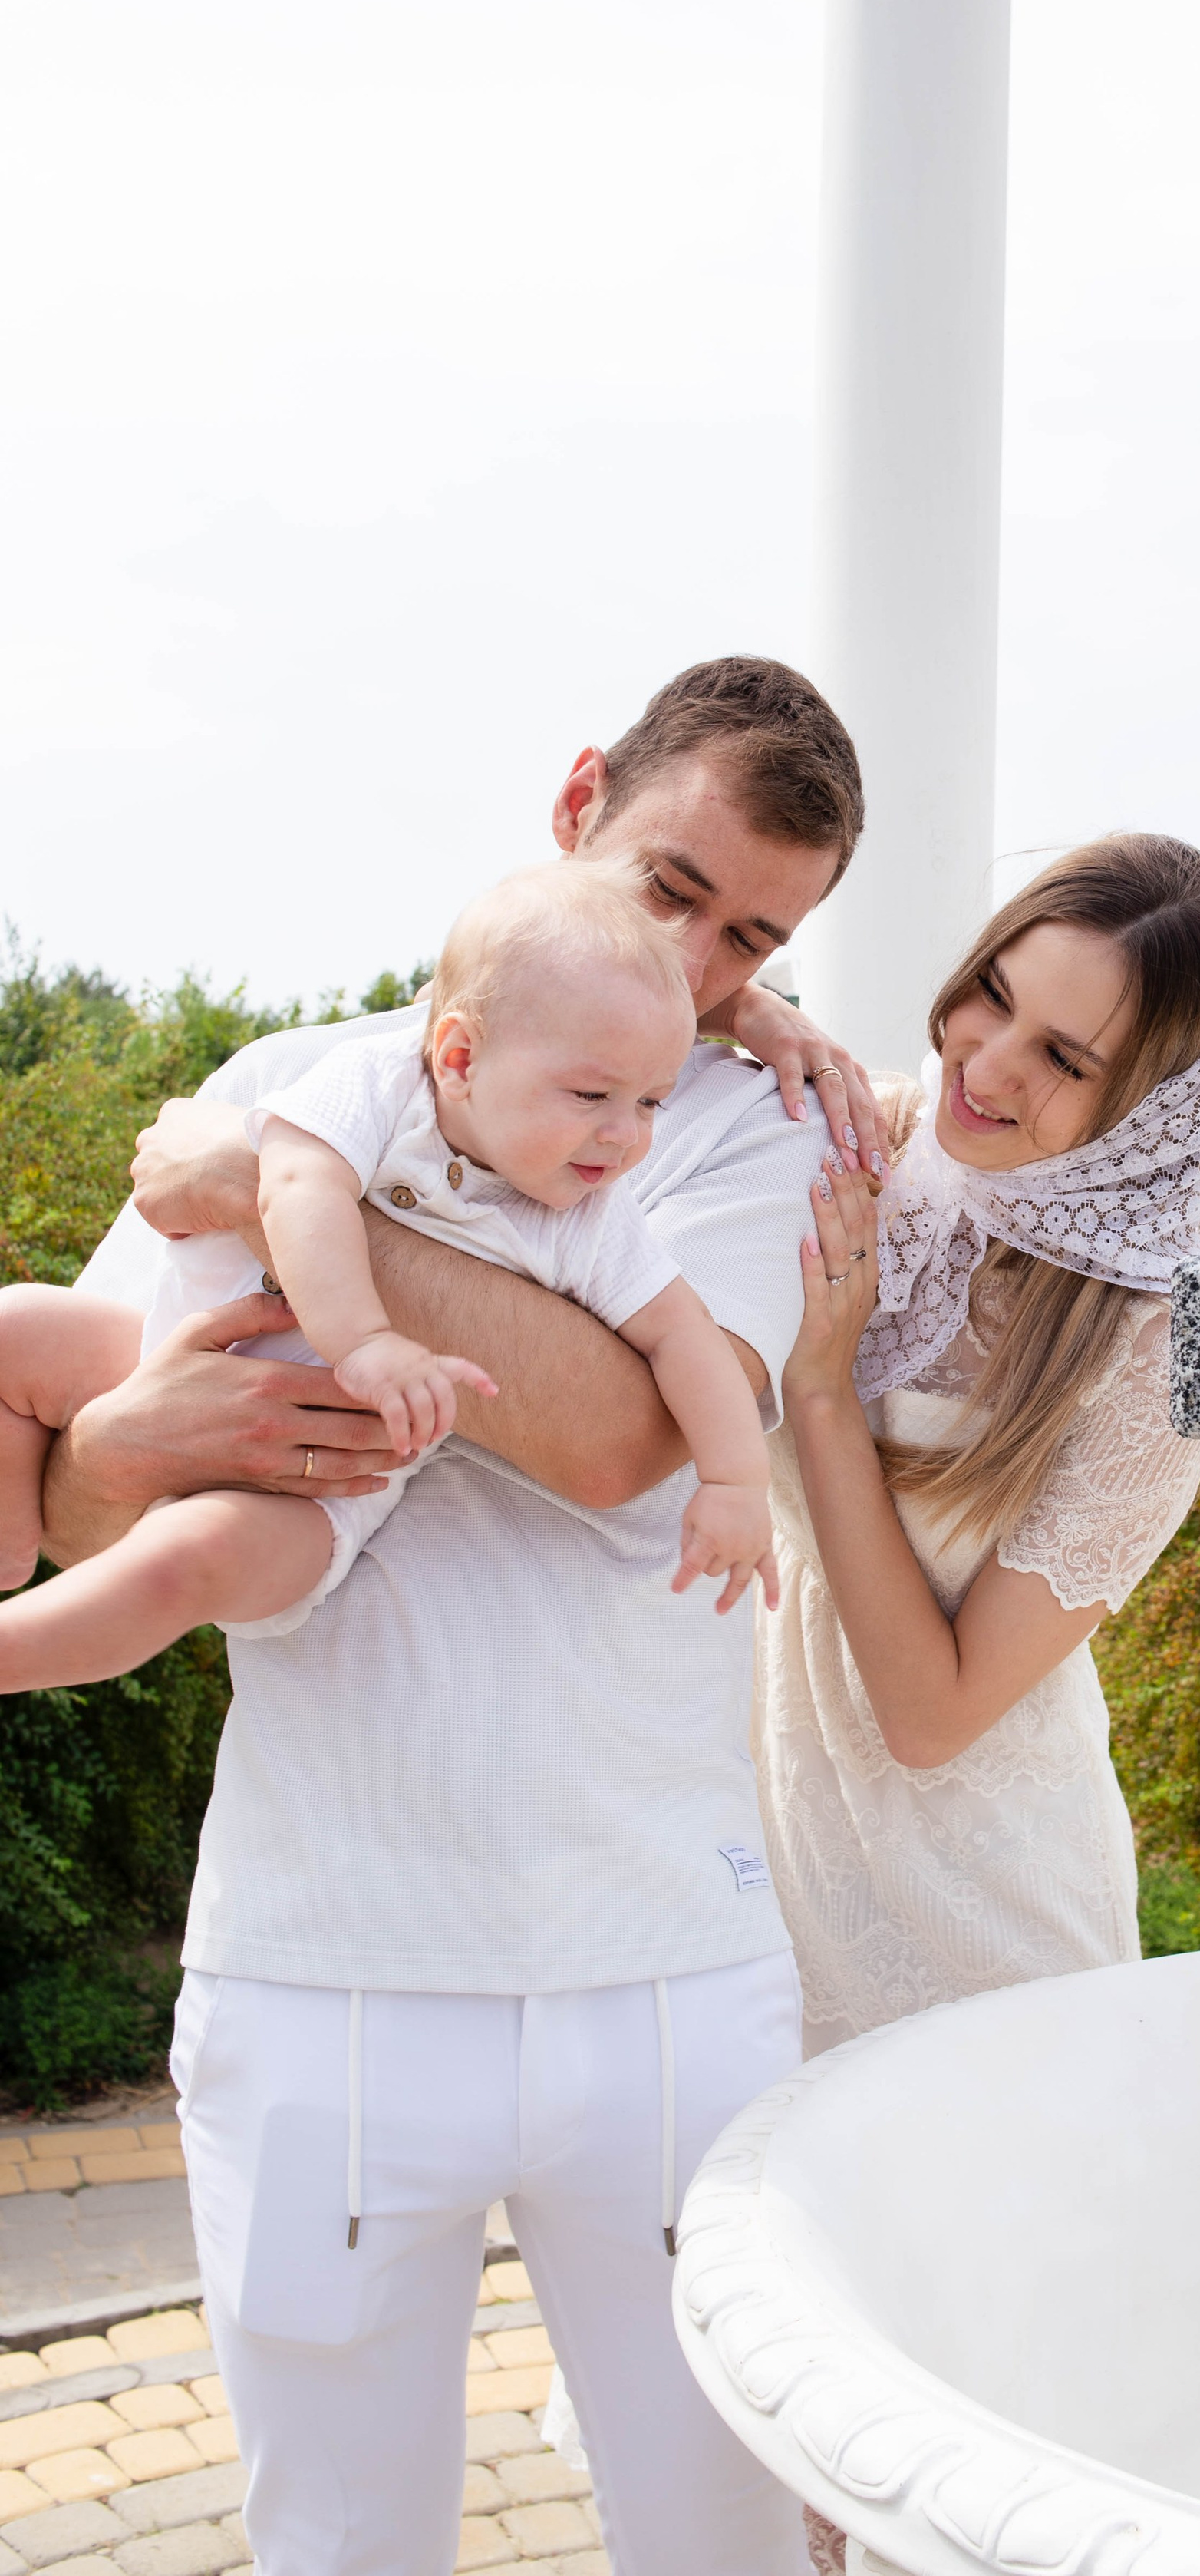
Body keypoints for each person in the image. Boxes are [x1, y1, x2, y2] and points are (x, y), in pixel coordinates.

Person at [36, 656, 875, 2576]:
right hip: (323, 1970)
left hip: (669, 1976)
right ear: (580, 791)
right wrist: (119, 1432)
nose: (708, 963)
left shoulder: (726, 1124)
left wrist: (285, 1194)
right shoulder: (278, 1075)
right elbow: (83, 1482)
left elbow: (614, 1437)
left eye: (758, 935)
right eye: (675, 887)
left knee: (728, 2546)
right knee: (336, 2547)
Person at [0, 861, 778, 1688]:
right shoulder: (378, 1082)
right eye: (591, 1094)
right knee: (17, 1328)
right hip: (178, 1355)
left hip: (325, 1483)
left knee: (181, 1562)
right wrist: (364, 1338)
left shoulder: (588, 1216)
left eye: (651, 1102)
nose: (624, 1137)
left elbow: (683, 1333)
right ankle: (12, 1539)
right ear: (458, 1057)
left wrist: (734, 1481)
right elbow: (295, 1182)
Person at [758, 834, 1200, 2050]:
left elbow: (932, 1716)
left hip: (980, 1920)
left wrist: (825, 1395)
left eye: (1064, 1057)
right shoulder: (864, 1138)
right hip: (748, 1862)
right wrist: (744, 1009)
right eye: (994, 992)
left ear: (1150, 1109)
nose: (985, 1064)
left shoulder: (1149, 1343)